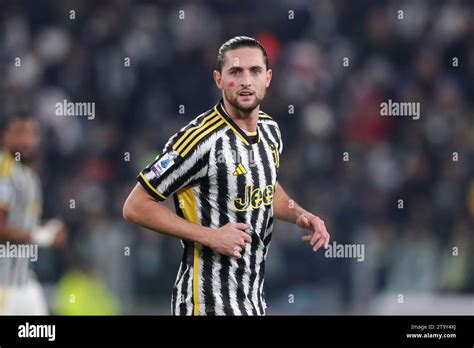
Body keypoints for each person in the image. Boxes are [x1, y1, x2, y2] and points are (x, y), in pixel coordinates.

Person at [123, 36, 330, 315]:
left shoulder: (270, 130)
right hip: (205, 304)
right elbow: (135, 206)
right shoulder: (199, 140)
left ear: (267, 78)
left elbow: (264, 185)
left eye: (254, 71)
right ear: (218, 79)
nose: (246, 81)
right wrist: (210, 236)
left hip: (252, 303)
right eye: (235, 72)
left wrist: (299, 214)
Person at [0, 114, 67, 315]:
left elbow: (20, 224)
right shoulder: (4, 170)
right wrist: (41, 236)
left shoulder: (28, 174)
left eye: (32, 133)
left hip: (24, 281)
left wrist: (48, 229)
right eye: (19, 132)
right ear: (4, 136)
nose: (27, 140)